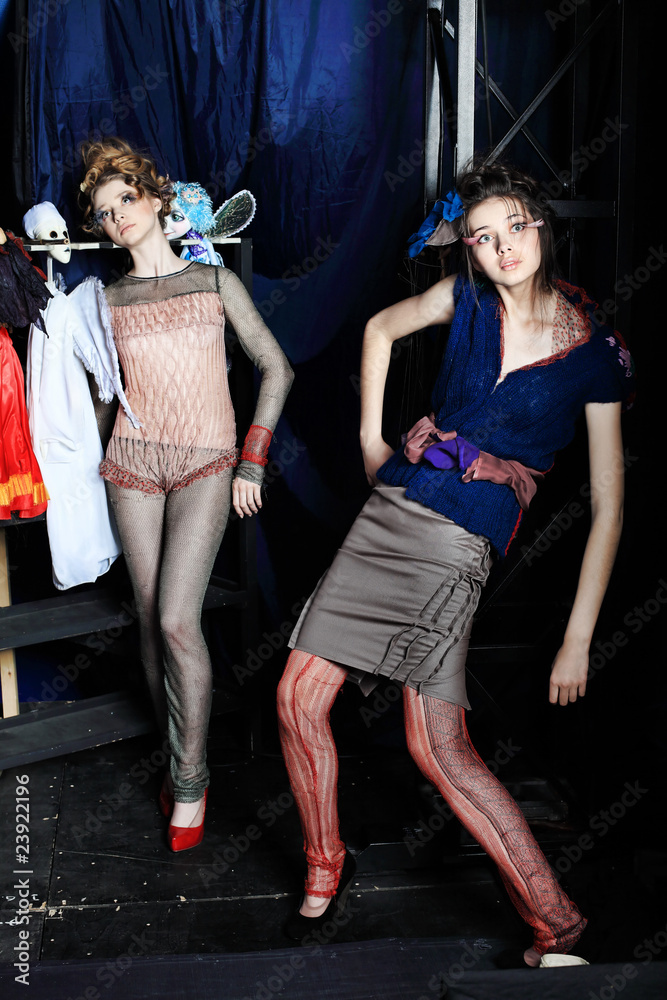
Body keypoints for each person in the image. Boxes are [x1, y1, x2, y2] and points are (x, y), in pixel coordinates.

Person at [277, 160, 633, 965]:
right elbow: (378, 329)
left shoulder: (594, 356)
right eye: (481, 236)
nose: (502, 247)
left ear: (539, 227)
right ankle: (325, 863)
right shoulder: (464, 299)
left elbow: (609, 507)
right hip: (392, 512)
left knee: (435, 746)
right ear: (466, 248)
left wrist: (577, 639)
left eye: (514, 228)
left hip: (458, 542)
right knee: (296, 697)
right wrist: (370, 441)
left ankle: (557, 925)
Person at [78, 138, 294, 851]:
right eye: (103, 212)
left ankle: (193, 780)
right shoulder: (106, 300)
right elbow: (105, 401)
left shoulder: (213, 281)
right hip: (132, 466)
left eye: (125, 199)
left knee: (177, 618)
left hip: (208, 462)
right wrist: (80, 474)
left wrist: (252, 464)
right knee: (147, 621)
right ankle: (173, 764)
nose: (117, 217)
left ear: (153, 196)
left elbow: (276, 368)